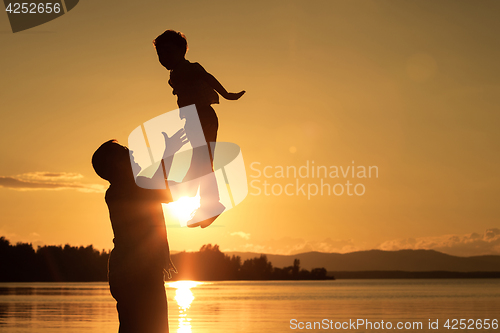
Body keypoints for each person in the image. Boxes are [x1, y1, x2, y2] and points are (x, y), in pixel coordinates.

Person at [92, 129, 187, 333]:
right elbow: (167, 191)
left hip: (135, 270)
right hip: (137, 273)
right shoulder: (126, 189)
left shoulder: (126, 188)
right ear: (115, 164)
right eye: (124, 151)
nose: (131, 153)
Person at [153, 29, 245, 228]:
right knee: (201, 161)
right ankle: (205, 203)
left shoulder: (189, 68)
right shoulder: (176, 73)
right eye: (160, 54)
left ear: (182, 50)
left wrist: (226, 94)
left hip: (203, 116)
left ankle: (208, 203)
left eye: (168, 52)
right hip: (193, 120)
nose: (163, 58)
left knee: (201, 161)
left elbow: (208, 77)